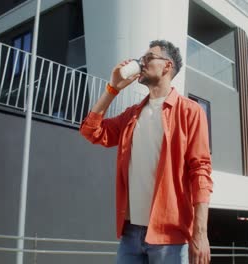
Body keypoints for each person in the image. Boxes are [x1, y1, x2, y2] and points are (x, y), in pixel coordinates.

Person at [79, 40, 213, 264]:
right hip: (130, 233)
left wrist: (200, 233)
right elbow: (90, 131)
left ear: (167, 66)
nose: (142, 62)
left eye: (149, 58)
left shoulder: (191, 112)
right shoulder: (131, 115)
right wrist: (112, 89)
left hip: (169, 236)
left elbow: (201, 172)